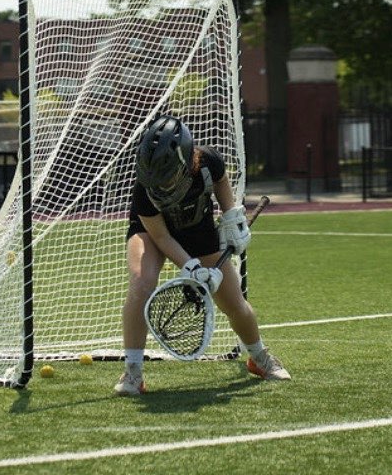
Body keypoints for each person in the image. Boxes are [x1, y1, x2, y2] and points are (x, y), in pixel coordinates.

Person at [115, 114, 290, 396]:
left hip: (197, 227)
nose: (161, 184)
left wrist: (232, 219)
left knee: (234, 303)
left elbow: (221, 182)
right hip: (154, 230)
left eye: (168, 175)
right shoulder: (144, 190)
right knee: (141, 284)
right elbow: (161, 238)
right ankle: (133, 374)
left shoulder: (208, 161)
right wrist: (192, 269)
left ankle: (260, 358)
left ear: (187, 160)